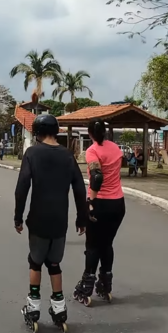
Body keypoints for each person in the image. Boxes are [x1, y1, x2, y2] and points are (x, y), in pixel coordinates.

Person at [14, 114, 88, 333]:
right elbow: (79, 188)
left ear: (37, 132)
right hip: (60, 220)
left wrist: (18, 217)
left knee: (35, 262)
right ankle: (59, 309)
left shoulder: (32, 153)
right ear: (56, 131)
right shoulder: (67, 155)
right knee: (54, 264)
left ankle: (33, 307)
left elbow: (22, 188)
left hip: (38, 219)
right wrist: (81, 217)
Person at [72, 119, 126, 306]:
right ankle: (105, 283)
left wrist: (90, 200)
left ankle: (87, 286)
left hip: (101, 203)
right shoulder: (116, 148)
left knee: (93, 245)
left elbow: (96, 177)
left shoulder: (92, 151)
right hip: (118, 203)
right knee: (107, 244)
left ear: (90, 133)